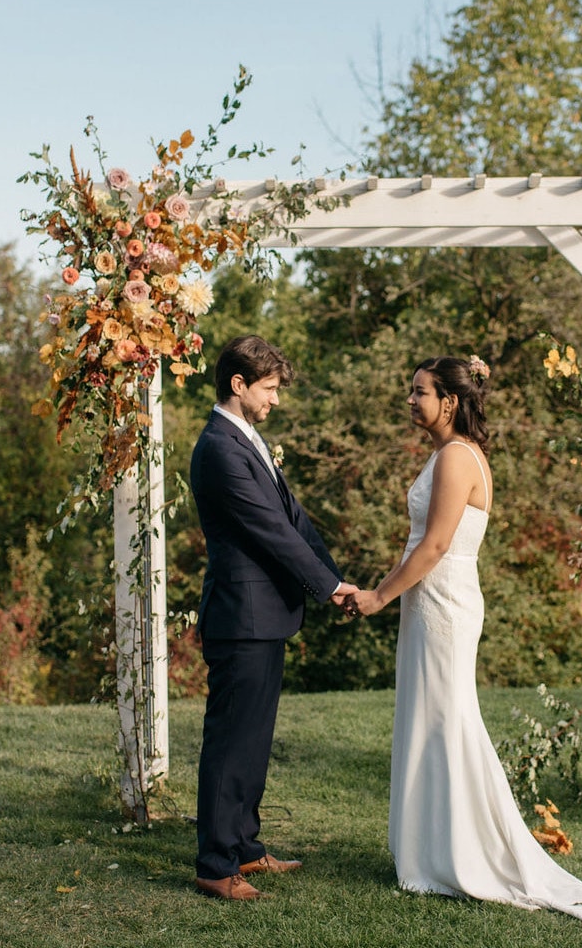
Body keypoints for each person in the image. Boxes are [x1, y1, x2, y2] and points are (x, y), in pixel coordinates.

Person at [344, 357, 582, 927]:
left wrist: (377, 597)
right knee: (432, 719)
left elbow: (434, 547)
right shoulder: (453, 453)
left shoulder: (455, 457)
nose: (409, 399)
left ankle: (466, 854)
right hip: (434, 601)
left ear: (449, 401)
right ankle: (432, 849)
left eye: (418, 391)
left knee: (449, 722)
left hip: (443, 601)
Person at [186, 335, 357, 901]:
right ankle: (215, 864)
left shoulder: (248, 440)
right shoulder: (219, 448)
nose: (275, 400)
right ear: (238, 384)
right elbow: (271, 532)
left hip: (266, 617)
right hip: (242, 616)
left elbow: (295, 519)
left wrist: (336, 579)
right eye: (269, 389)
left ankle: (246, 847)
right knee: (231, 742)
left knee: (254, 742)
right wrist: (329, 589)